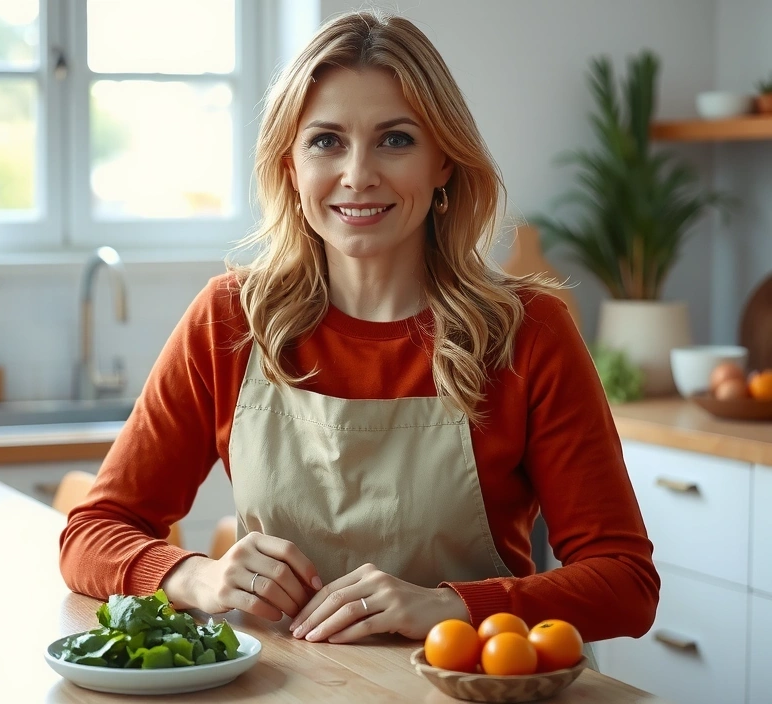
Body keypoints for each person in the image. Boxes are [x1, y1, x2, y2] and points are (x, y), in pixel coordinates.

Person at [60, 9, 659, 649]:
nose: (358, 174)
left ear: (444, 164)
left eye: (396, 139)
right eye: (326, 141)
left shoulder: (527, 332)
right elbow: (91, 534)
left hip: (475, 689)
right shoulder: (230, 319)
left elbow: (624, 583)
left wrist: (450, 606)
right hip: (286, 691)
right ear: (290, 165)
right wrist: (194, 577)